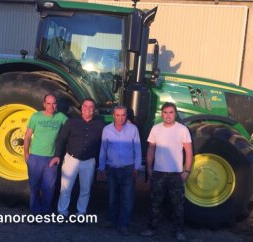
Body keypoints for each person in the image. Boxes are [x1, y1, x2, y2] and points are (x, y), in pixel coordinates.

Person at [140, 102, 193, 241]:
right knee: (154, 203)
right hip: (158, 173)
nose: (168, 115)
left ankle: (179, 231)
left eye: (171, 112)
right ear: (162, 114)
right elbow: (151, 149)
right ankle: (151, 228)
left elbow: (188, 151)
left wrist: (187, 170)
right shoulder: (156, 129)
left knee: (177, 205)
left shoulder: (182, 130)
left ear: (175, 114)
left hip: (176, 174)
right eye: (165, 112)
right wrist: (149, 168)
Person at [54, 98, 105, 218]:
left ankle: (81, 213)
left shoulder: (100, 124)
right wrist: (57, 155)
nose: (88, 109)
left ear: (94, 110)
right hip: (71, 159)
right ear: (81, 108)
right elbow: (61, 139)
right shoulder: (71, 122)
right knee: (65, 189)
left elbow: (105, 142)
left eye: (91, 107)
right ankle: (62, 212)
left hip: (89, 161)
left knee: (85, 190)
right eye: (85, 106)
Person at [98, 106, 142, 236]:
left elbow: (138, 149)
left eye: (123, 115)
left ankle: (124, 224)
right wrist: (101, 167)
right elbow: (103, 149)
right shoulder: (107, 130)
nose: (120, 118)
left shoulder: (133, 129)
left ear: (126, 115)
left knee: (127, 198)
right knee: (112, 196)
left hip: (128, 168)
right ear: (113, 115)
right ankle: (112, 220)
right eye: (118, 115)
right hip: (112, 169)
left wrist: (137, 167)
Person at [24, 93, 68, 215]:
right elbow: (27, 136)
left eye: (54, 103)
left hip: (51, 158)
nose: (51, 106)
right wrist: (26, 155)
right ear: (44, 104)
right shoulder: (36, 117)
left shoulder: (61, 117)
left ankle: (46, 211)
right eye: (48, 103)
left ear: (56, 105)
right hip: (35, 157)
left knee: (49, 188)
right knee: (34, 187)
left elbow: (71, 128)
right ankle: (35, 212)